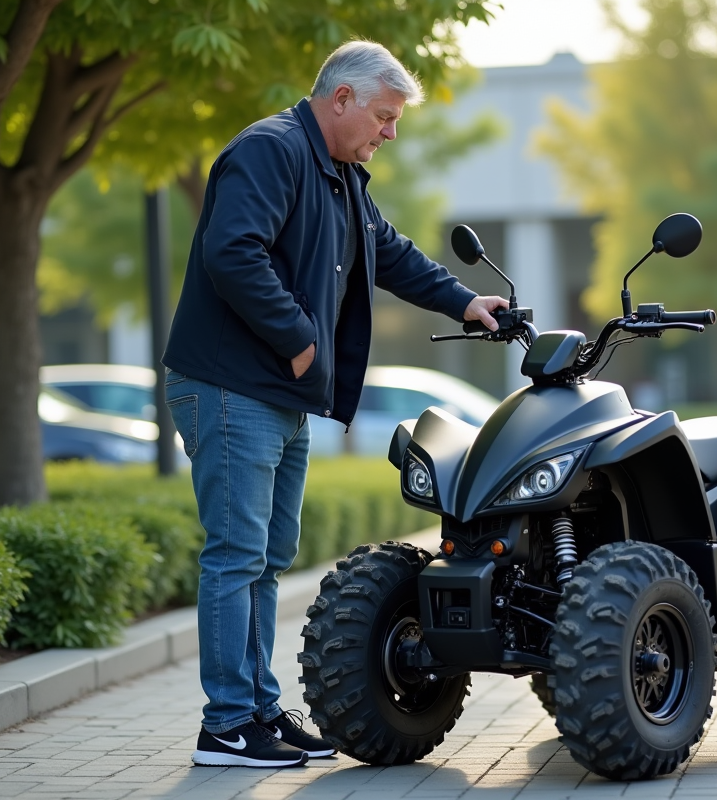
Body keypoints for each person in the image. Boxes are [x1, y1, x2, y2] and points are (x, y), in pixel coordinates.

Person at [162, 40, 508, 769]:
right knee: (236, 556)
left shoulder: (341, 174)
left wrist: (465, 300)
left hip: (274, 395)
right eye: (384, 116)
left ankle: (256, 709)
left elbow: (389, 251)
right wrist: (299, 340)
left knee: (268, 556)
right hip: (231, 386)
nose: (391, 132)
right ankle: (226, 726)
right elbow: (233, 252)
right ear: (342, 98)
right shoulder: (271, 151)